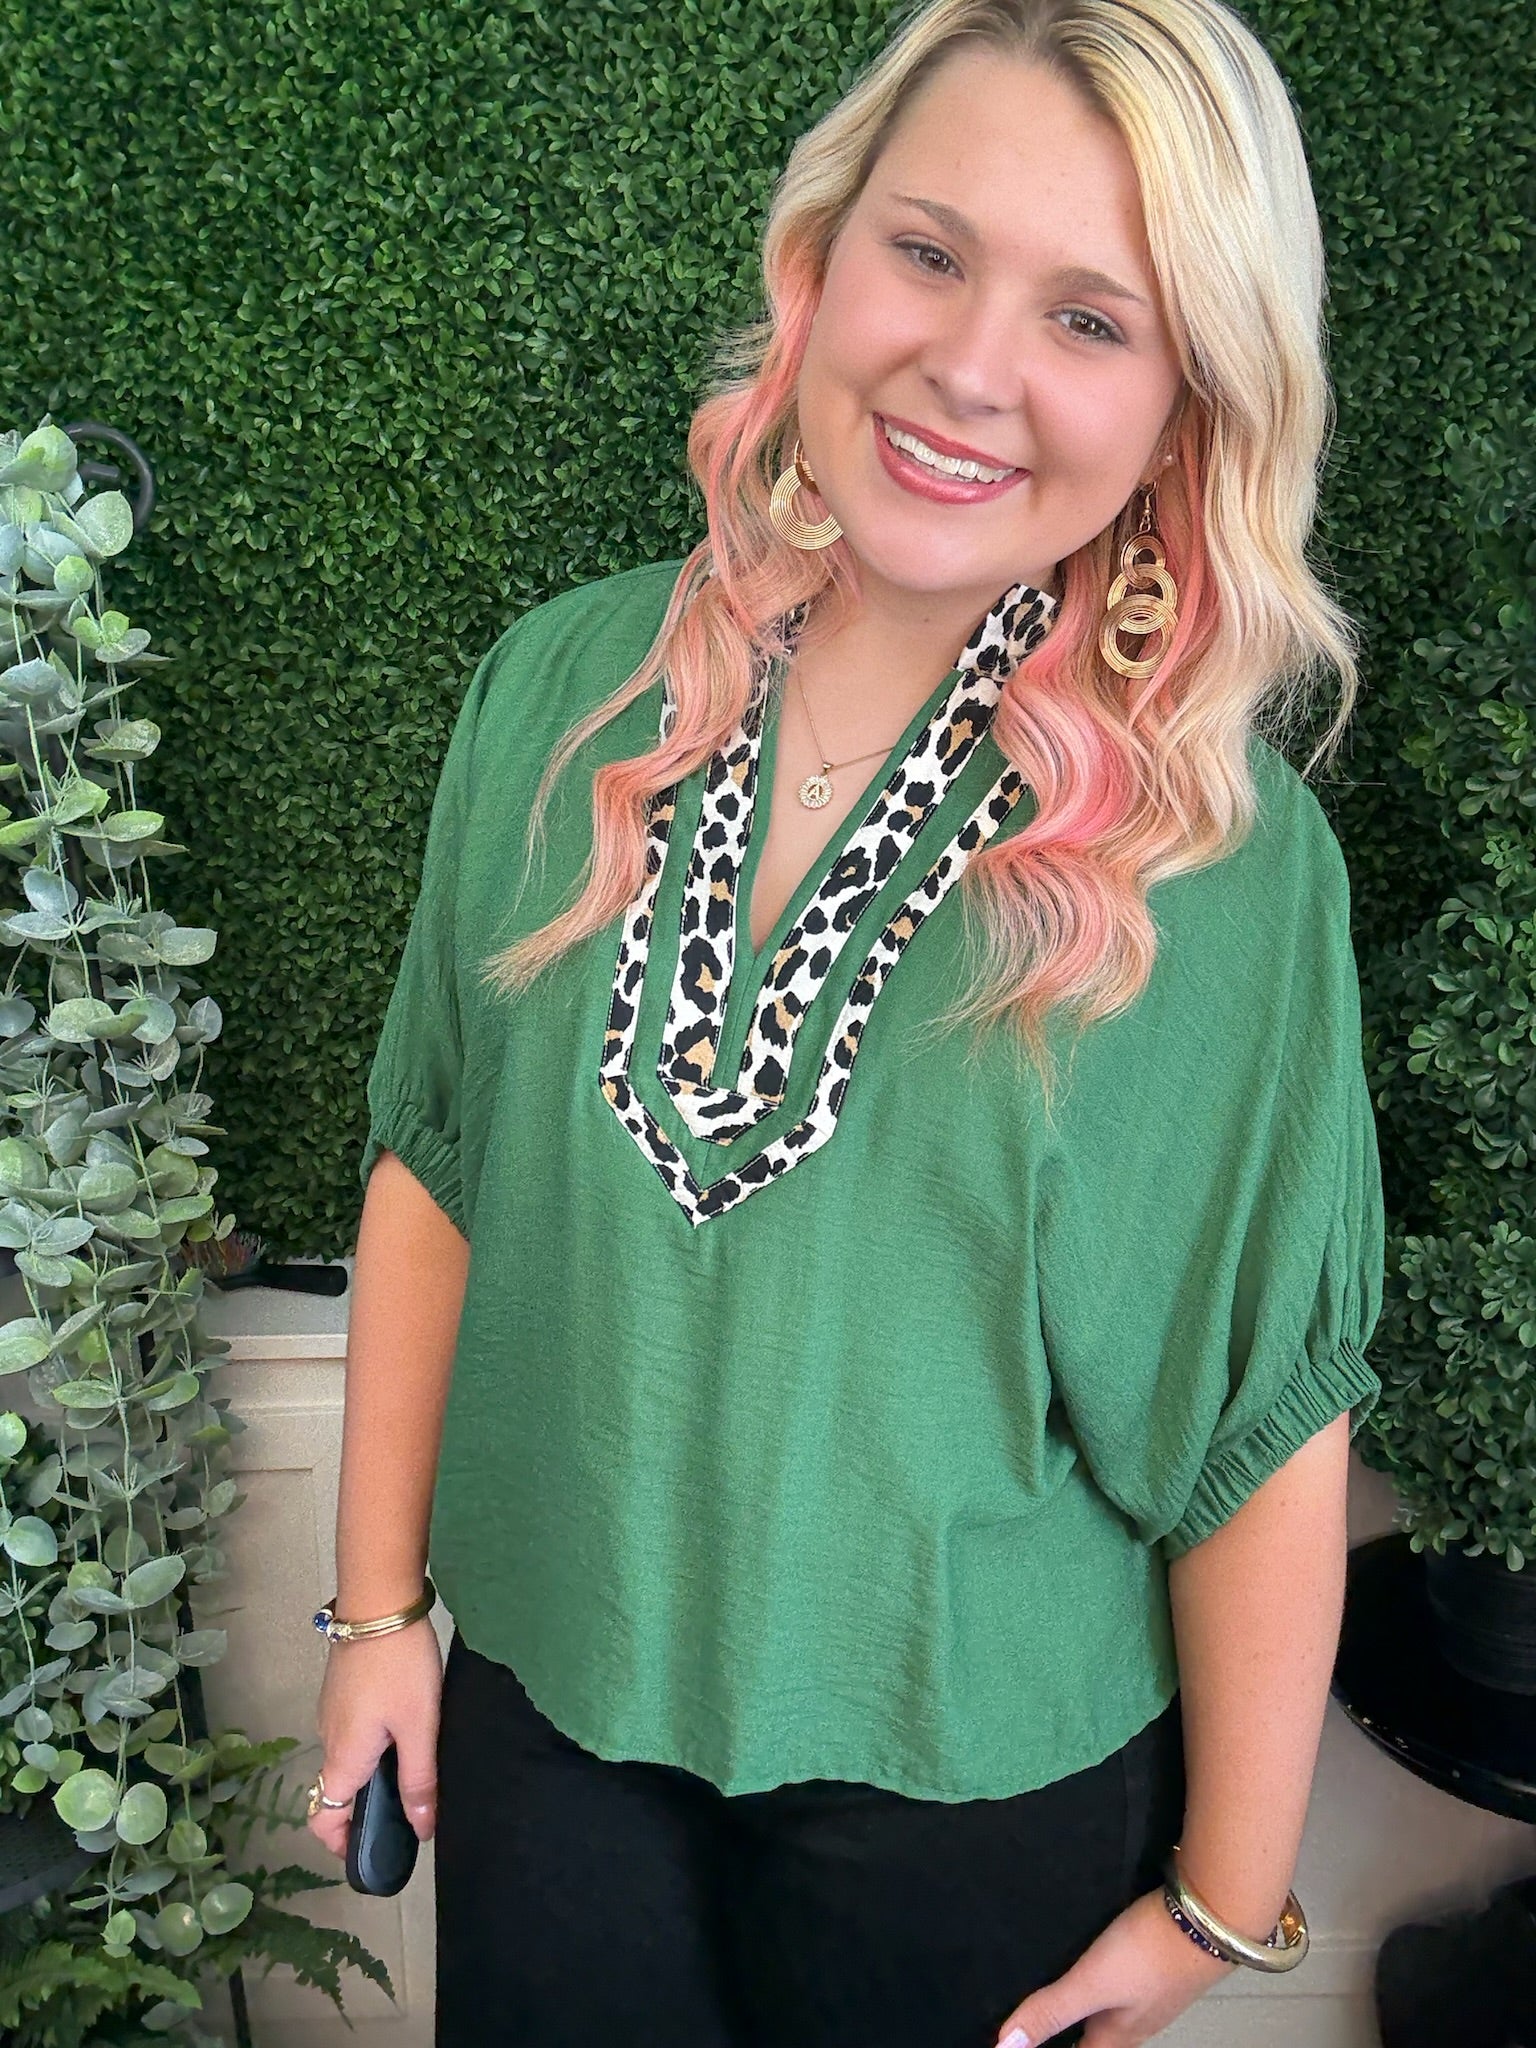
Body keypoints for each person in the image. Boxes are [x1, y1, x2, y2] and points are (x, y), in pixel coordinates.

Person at [306, 1, 1387, 2043]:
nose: (970, 366)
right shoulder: (556, 694)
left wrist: (1225, 1899)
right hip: (549, 1712)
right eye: (930, 251)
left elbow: (1259, 1413)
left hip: (970, 1789)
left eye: (1092, 319)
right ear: (820, 257)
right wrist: (374, 1612)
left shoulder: (1218, 868)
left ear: (1187, 408)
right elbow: (437, 1164)